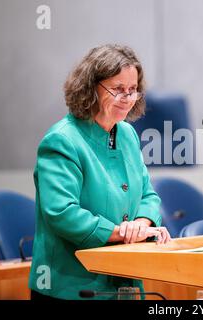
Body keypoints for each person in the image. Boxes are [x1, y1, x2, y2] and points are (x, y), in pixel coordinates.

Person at [28, 44, 171, 300]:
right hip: (71, 286)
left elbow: (148, 194)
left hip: (123, 282)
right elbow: (61, 213)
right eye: (117, 89)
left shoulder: (126, 133)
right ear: (91, 88)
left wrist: (141, 224)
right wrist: (120, 232)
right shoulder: (62, 140)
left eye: (132, 90)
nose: (127, 98)